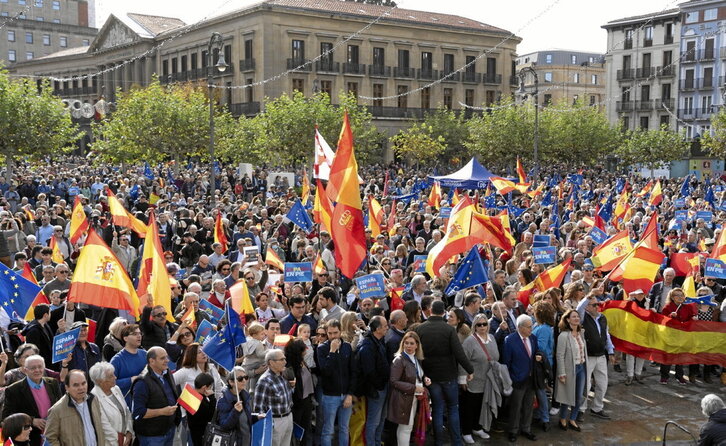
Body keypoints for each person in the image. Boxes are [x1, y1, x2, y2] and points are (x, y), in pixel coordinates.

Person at [414, 300, 474, 446]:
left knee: (438, 409)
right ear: (443, 313)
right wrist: (470, 370)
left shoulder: (420, 329)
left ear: (430, 311)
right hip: (448, 376)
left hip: (430, 376)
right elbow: (459, 353)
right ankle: (456, 442)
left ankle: (439, 442)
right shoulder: (449, 330)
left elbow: (416, 354)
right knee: (453, 408)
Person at [2, 355, 63, 446]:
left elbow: (60, 406)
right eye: (33, 368)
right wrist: (32, 420)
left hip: (54, 434)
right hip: (32, 437)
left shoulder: (53, 383)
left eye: (40, 367)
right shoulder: (14, 390)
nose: (37, 370)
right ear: (26, 370)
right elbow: (7, 416)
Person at [317, 320, 357, 446]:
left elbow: (353, 372)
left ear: (340, 332)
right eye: (330, 333)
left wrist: (350, 394)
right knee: (328, 430)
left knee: (344, 429)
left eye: (335, 333)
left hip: (346, 395)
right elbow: (325, 371)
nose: (333, 336)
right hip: (329, 396)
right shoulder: (322, 349)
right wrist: (332, 352)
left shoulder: (347, 347)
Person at [131, 346, 180, 446]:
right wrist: (162, 411)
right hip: (152, 436)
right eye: (162, 358)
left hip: (169, 431)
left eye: (167, 357)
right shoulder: (142, 382)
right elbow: (138, 413)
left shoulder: (167, 372)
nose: (167, 360)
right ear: (152, 361)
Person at [459, 313, 497, 443]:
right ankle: (466, 431)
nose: (482, 327)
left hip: (488, 380)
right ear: (474, 326)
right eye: (479, 324)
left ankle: (477, 427)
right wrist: (463, 379)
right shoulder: (470, 341)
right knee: (470, 407)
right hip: (473, 381)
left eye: (484, 324)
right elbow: (463, 360)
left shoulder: (492, 337)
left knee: (482, 406)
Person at [388, 331, 431, 446]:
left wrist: (425, 378)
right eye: (406, 343)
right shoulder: (399, 360)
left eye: (412, 343)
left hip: (413, 397)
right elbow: (393, 381)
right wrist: (414, 388)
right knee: (405, 428)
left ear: (417, 345)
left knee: (409, 427)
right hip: (403, 398)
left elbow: (417, 375)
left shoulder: (416, 358)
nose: (409, 346)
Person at [576, 294, 614, 420]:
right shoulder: (582, 317)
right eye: (594, 305)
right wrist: (588, 296)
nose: (597, 307)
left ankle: (597, 407)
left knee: (603, 384)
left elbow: (606, 335)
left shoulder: (602, 318)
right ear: (587, 307)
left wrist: (611, 351)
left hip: (601, 356)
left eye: (598, 304)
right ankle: (580, 409)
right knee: (586, 385)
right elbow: (578, 309)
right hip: (588, 356)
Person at [502, 314, 539, 443]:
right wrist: (511, 378)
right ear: (520, 327)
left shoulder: (533, 338)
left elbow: (535, 353)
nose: (531, 329)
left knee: (529, 405)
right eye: (529, 327)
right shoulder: (510, 340)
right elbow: (506, 362)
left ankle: (526, 429)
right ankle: (513, 431)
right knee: (515, 407)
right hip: (517, 379)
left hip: (530, 378)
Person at [45, 369, 105, 446]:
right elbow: (50, 439)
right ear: (67, 388)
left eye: (83, 383)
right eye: (76, 385)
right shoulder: (56, 410)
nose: (81, 388)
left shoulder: (93, 400)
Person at [356, 316, 390, 446]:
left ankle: (377, 442)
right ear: (378, 329)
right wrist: (379, 385)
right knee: (373, 421)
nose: (387, 327)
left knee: (381, 419)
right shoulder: (368, 346)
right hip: (376, 390)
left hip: (381, 387)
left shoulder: (378, 341)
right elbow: (369, 371)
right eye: (385, 325)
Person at [555, 309, 587, 432]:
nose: (576, 319)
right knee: (567, 396)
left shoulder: (581, 333)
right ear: (568, 319)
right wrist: (562, 373)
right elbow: (560, 355)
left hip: (581, 368)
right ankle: (562, 418)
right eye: (573, 317)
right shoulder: (563, 336)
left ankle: (572, 419)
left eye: (577, 316)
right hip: (569, 369)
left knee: (579, 396)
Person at [253, 350, 294, 446]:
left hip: (288, 417)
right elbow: (259, 409)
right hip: (275, 422)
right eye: (281, 359)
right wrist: (269, 426)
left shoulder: (283, 375)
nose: (285, 362)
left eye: (285, 359)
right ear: (271, 362)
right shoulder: (264, 381)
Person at [89, 362, 134, 446]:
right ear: (100, 381)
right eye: (111, 376)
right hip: (110, 443)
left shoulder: (115, 389)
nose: (115, 377)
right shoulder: (94, 398)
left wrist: (129, 432)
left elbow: (126, 411)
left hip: (126, 440)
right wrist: (121, 440)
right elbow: (104, 426)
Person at [660, 287, 697, 385]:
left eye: (682, 295)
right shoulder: (667, 307)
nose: (680, 297)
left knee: (680, 356)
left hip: (683, 335)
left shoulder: (687, 307)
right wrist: (670, 316)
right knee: (668, 355)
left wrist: (693, 318)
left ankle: (679, 376)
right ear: (672, 297)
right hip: (670, 335)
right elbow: (662, 321)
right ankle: (664, 376)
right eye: (677, 295)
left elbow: (690, 318)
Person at [285, 338, 314, 446]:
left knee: (306, 430)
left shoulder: (302, 361)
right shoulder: (289, 367)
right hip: (297, 404)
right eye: (303, 349)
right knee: (297, 432)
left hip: (306, 400)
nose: (306, 351)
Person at [531, 300, 555, 430]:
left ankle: (545, 418)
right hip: (539, 364)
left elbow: (541, 347)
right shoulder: (539, 326)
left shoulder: (544, 329)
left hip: (541, 365)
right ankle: (540, 415)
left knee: (541, 392)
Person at [110, 324, 147, 406]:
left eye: (140, 333)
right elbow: (110, 383)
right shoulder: (117, 360)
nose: (139, 336)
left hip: (146, 401)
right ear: (125, 338)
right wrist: (130, 380)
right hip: (127, 404)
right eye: (134, 334)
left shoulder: (145, 354)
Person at [217, 366, 254, 446]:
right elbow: (224, 426)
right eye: (240, 379)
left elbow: (245, 418)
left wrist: (257, 417)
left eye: (246, 377)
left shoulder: (244, 396)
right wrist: (235, 411)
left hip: (246, 441)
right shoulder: (224, 400)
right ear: (231, 382)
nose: (244, 381)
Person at [186, 373, 217, 446]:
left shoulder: (192, 395)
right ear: (204, 387)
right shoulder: (199, 401)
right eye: (210, 387)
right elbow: (209, 416)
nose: (211, 389)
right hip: (200, 434)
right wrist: (212, 398)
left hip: (194, 432)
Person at [21, 304, 55, 370]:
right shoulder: (33, 331)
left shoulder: (45, 325)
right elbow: (34, 351)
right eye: (50, 312)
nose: (51, 314)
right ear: (45, 315)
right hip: (41, 366)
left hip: (50, 363)